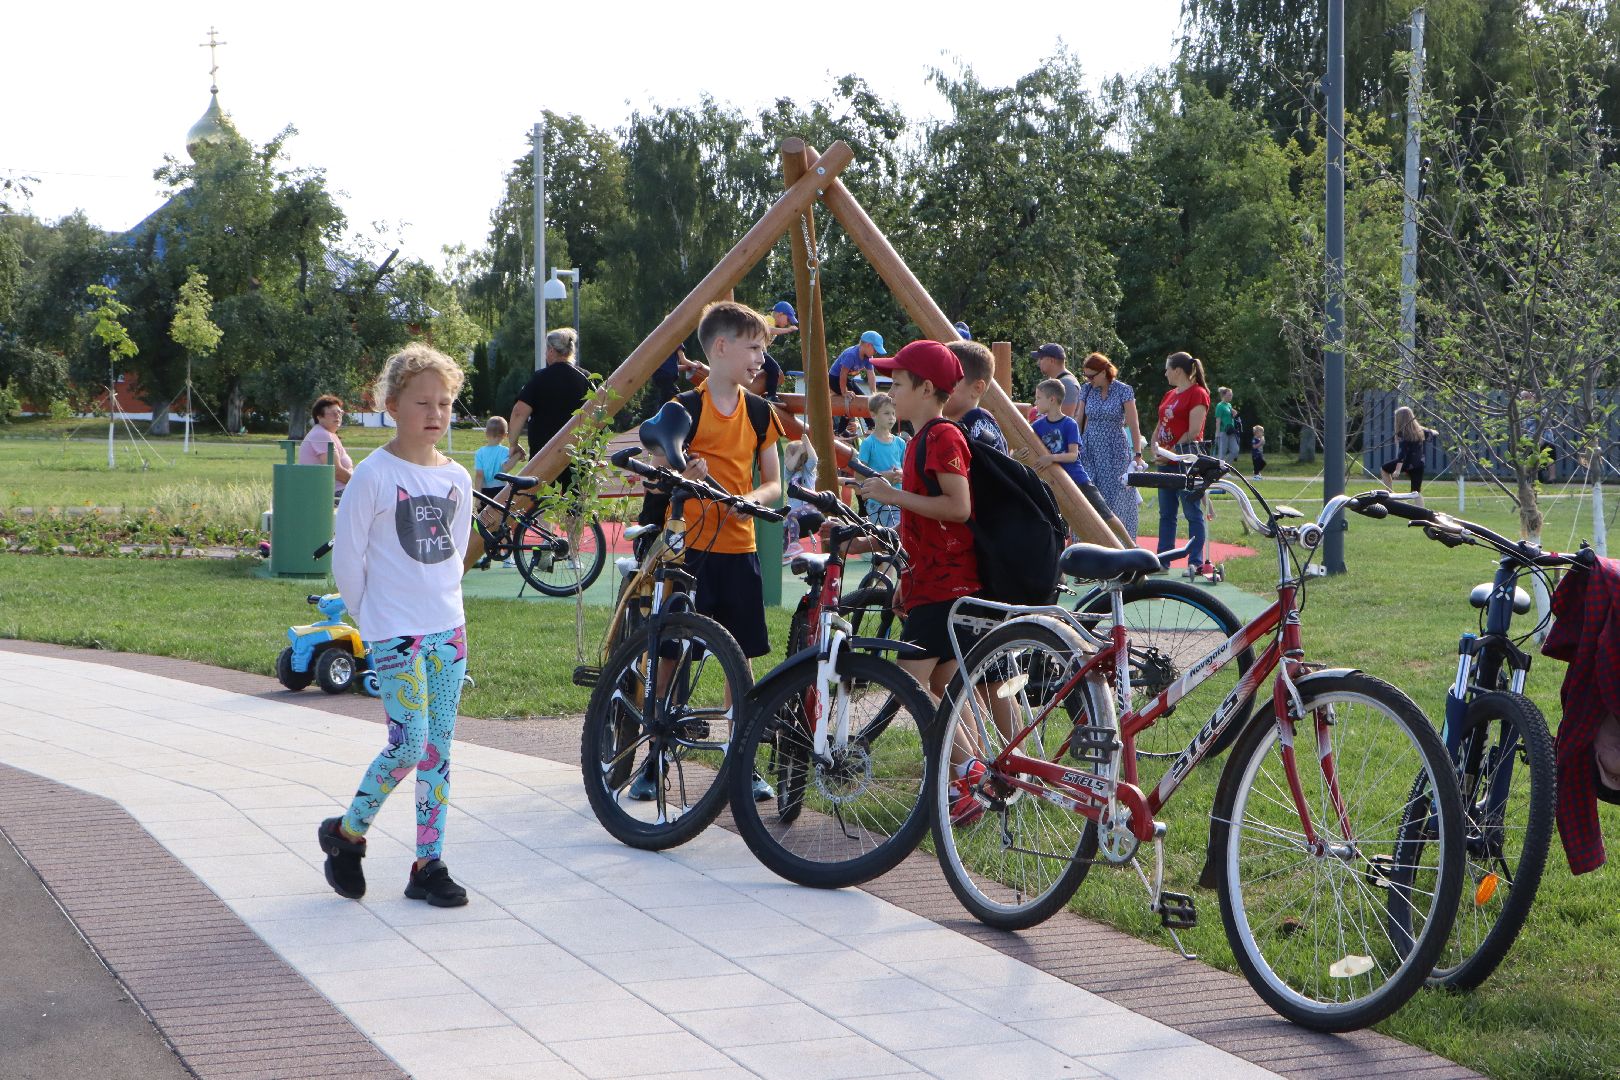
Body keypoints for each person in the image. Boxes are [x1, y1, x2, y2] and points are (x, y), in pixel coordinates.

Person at [319, 344, 473, 909]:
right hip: (394, 634)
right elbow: (348, 558)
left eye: (445, 403)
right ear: (392, 407)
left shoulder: (457, 476)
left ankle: (428, 864)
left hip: (447, 632)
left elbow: (456, 552)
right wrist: (373, 620)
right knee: (408, 745)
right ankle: (347, 834)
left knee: (438, 751)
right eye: (422, 402)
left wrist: (444, 608)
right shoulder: (375, 475)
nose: (435, 413)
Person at [629, 301, 786, 803]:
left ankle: (743, 761)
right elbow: (657, 468)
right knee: (670, 655)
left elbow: (774, 482)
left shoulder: (760, 412)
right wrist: (681, 472)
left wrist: (750, 500)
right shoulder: (683, 408)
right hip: (688, 550)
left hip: (739, 549)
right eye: (754, 347)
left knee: (740, 660)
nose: (761, 358)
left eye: (762, 349)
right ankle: (654, 756)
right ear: (721, 347)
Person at [858, 341, 985, 827]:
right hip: (930, 581)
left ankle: (969, 774)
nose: (890, 392)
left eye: (897, 383)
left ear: (927, 388)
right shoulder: (920, 440)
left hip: (946, 585)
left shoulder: (942, 437)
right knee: (941, 685)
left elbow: (959, 508)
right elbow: (925, 524)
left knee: (909, 682)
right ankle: (967, 783)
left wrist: (892, 495)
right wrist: (905, 577)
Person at [1032, 378, 1134, 548]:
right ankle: (1061, 557)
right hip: (1055, 482)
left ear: (1052, 399)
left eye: (1038, 398)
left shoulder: (1069, 424)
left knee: (1105, 514)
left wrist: (1051, 458)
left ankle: (1131, 545)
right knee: (1058, 523)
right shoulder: (1037, 426)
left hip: (1078, 479)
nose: (1035, 402)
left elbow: (1073, 456)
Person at [507, 328, 589, 489]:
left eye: (546, 349)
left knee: (542, 500)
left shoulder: (540, 378)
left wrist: (513, 443)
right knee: (577, 501)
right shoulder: (586, 378)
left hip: (544, 456)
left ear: (551, 350)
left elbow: (519, 412)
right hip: (579, 456)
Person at [1153, 351, 1212, 575]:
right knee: (1166, 513)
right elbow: (1161, 423)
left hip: (1186, 461)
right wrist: (1155, 446)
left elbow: (1194, 431)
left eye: (1167, 369)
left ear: (1177, 370)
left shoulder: (1198, 394)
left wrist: (1171, 453)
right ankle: (1162, 561)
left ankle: (1195, 562)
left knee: (1191, 511)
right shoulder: (1169, 394)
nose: (1165, 373)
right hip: (1165, 461)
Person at [1075, 352, 1145, 541]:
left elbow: (1133, 424)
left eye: (1091, 376)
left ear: (1103, 372)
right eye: (1085, 376)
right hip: (1090, 449)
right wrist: (1074, 445)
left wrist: (1137, 453)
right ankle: (1086, 543)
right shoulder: (1086, 390)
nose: (1088, 380)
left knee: (1118, 497)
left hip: (1115, 450)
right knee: (1089, 494)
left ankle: (1123, 544)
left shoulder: (1124, 390)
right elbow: (1079, 419)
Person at [856, 392, 907, 530]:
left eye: (893, 413)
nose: (891, 417)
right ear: (873, 415)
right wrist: (884, 476)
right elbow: (859, 475)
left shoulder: (900, 443)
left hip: (898, 498)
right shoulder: (868, 443)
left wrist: (901, 474)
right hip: (876, 501)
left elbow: (906, 469)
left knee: (897, 535)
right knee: (882, 536)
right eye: (886, 413)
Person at [944, 340, 1007, 452]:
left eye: (948, 379)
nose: (938, 385)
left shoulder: (979, 426)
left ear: (977, 388)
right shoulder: (959, 424)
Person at [298, 395, 354, 501]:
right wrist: (358, 483)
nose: (338, 416)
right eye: (333, 413)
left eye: (340, 412)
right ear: (319, 417)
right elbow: (336, 471)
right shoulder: (321, 434)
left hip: (339, 490)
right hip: (333, 494)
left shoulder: (329, 434)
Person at [830, 330, 885, 435]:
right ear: (868, 345)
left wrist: (874, 393)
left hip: (846, 379)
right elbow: (842, 373)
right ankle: (840, 431)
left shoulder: (868, 357)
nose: (876, 352)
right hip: (834, 379)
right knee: (851, 399)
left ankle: (870, 426)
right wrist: (844, 392)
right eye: (875, 349)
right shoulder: (851, 354)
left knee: (862, 397)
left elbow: (871, 374)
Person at [1382, 406, 1431, 506]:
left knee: (1384, 469)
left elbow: (1402, 454)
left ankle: (1390, 495)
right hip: (1419, 464)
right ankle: (1421, 512)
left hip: (1407, 463)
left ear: (1399, 420)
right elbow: (1432, 433)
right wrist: (1433, 432)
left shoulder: (1403, 434)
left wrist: (1397, 470)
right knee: (1416, 492)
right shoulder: (1421, 431)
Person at [782, 437, 820, 561]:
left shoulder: (808, 471)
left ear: (800, 458)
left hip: (810, 508)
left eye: (788, 456)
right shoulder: (789, 473)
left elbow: (814, 459)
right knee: (781, 527)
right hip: (796, 512)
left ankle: (795, 544)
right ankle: (784, 554)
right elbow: (789, 466)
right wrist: (798, 452)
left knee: (791, 515)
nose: (786, 460)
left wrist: (807, 443)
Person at [1032, 343, 1082, 418]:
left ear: (1052, 361)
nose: (1038, 362)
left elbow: (1063, 420)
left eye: (1041, 358)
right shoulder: (1056, 380)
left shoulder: (1067, 383)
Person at [472, 416, 515, 500]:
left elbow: (479, 476)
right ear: (505, 435)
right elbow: (506, 468)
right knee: (501, 509)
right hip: (501, 490)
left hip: (484, 491)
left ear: (486, 433)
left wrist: (478, 499)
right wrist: (517, 456)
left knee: (485, 509)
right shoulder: (505, 451)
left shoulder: (479, 452)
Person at [1213, 386, 1239, 464]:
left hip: (1231, 431)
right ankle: (1220, 468)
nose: (1231, 396)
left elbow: (1230, 417)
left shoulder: (1229, 405)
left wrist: (1234, 414)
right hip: (1223, 431)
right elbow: (1218, 420)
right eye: (1229, 395)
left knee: (1235, 450)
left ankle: (1225, 466)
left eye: (1231, 395)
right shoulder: (1220, 406)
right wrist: (1217, 433)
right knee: (1222, 452)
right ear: (1224, 395)